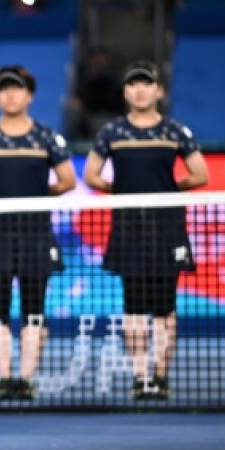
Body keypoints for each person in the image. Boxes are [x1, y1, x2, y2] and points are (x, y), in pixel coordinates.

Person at [83, 62, 209, 400]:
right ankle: (141, 377)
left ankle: (161, 376)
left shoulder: (175, 132)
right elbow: (91, 175)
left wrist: (168, 189)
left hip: (168, 229)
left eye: (147, 84)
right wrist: (123, 192)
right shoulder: (111, 133)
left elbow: (200, 174)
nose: (140, 90)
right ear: (125, 92)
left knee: (165, 308)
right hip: (128, 230)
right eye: (133, 85)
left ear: (159, 91)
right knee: (134, 306)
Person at [0, 66, 75, 400]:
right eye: (2, 89)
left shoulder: (47, 137)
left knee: (34, 308)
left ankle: (26, 378)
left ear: (30, 95)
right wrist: (0, 203)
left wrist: (36, 199)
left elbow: (67, 180)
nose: (9, 94)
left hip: (36, 236)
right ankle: (5, 377)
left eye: (17, 88)